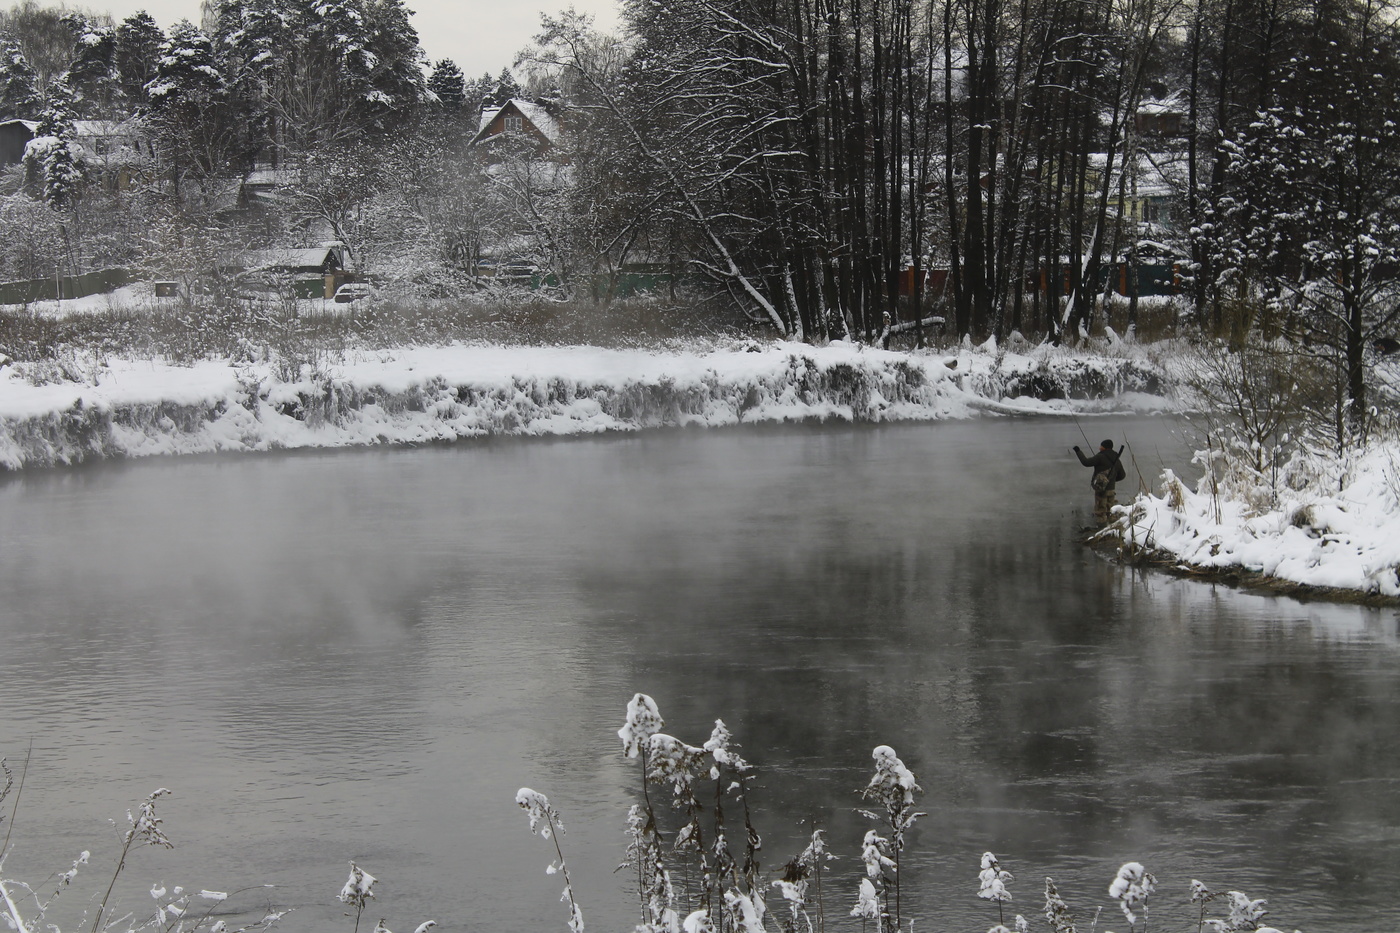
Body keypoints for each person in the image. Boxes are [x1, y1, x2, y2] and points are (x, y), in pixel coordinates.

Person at [1074, 439, 1126, 526]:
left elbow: (1086, 462)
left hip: (1101, 490)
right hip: (1111, 490)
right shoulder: (1116, 459)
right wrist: (1111, 480)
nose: (1099, 448)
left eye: (1101, 446)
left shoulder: (1100, 457)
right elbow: (1122, 475)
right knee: (1111, 511)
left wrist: (1078, 451)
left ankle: (1101, 530)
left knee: (1100, 512)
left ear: (1104, 447)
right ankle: (1112, 530)